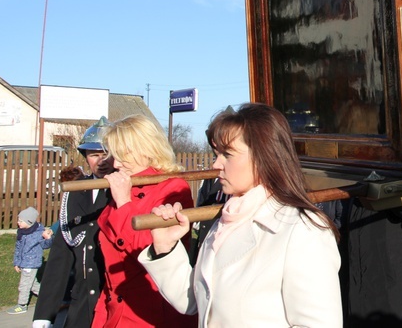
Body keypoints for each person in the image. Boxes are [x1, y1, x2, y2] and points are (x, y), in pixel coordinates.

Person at [139, 103, 342, 327]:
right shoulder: (227, 221)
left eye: (228, 154)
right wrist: (165, 247)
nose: (216, 164)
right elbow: (196, 301)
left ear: (264, 156)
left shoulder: (303, 230)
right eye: (217, 154)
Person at [91, 115, 197, 328]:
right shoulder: (125, 185)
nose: (116, 163)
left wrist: (123, 202)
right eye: (114, 155)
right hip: (115, 311)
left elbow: (147, 250)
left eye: (123, 155)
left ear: (147, 149)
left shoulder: (173, 188)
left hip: (151, 314)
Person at [32, 117, 111, 328]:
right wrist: (44, 315)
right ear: (86, 157)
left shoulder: (127, 193)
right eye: (94, 155)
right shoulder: (74, 192)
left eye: (107, 154)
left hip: (115, 304)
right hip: (81, 305)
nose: (101, 161)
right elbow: (61, 256)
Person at [9, 207, 53, 315]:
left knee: (24, 285)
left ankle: (22, 305)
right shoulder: (21, 232)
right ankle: (49, 297)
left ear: (29, 222)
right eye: (18, 220)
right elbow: (18, 249)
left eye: (20, 221)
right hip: (24, 263)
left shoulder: (38, 233)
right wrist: (17, 262)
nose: (18, 222)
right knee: (33, 285)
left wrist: (48, 238)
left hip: (31, 263)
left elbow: (46, 245)